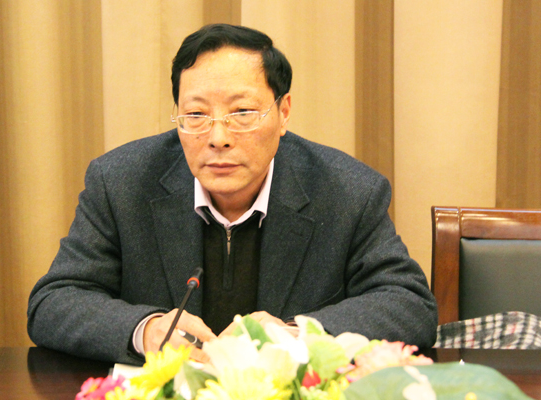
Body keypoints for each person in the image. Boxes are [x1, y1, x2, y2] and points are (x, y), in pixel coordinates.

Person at [27, 24, 437, 365]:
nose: (218, 137)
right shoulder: (120, 182)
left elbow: (409, 304)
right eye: (196, 115)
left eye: (242, 113)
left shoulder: (348, 191)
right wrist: (146, 330)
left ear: (283, 113)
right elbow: (54, 301)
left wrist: (298, 336)